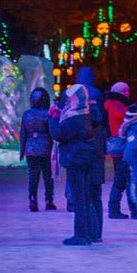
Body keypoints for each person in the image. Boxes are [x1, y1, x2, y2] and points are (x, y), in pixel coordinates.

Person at [49, 85, 99, 245]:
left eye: (70, 98)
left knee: (79, 198)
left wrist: (53, 118)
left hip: (75, 159)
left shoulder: (73, 117)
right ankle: (89, 233)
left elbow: (58, 134)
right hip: (86, 158)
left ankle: (81, 235)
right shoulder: (86, 113)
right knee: (85, 196)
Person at [74, 67, 108, 242]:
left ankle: (85, 231)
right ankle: (97, 234)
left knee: (83, 193)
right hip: (97, 150)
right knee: (96, 194)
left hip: (80, 151)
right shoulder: (98, 95)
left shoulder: (73, 93)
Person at [20, 86, 56, 211]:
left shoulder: (27, 114)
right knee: (48, 175)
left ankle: (33, 200)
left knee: (33, 176)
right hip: (46, 147)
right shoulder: (48, 114)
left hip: (30, 148)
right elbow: (52, 131)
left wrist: (22, 150)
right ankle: (49, 200)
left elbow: (23, 133)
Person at [103, 82, 135, 219]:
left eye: (128, 91)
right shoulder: (117, 105)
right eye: (123, 91)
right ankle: (134, 210)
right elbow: (126, 118)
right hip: (123, 147)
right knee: (128, 180)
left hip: (118, 147)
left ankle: (114, 209)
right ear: (116, 92)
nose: (126, 93)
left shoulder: (112, 104)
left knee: (121, 180)